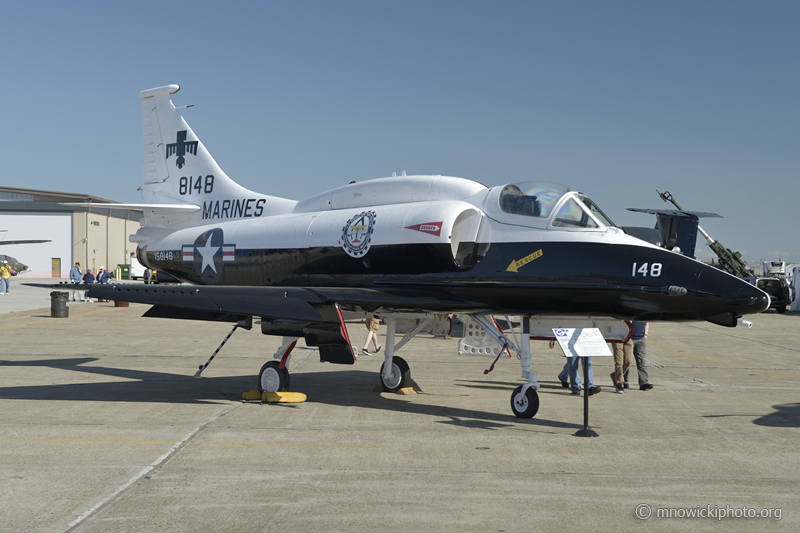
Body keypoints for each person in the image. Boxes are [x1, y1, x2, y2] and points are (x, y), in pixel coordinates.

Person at [624, 321, 654, 390]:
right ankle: (623, 381)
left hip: (641, 339)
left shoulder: (643, 313)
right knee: (627, 361)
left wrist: (645, 335)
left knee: (642, 361)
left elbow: (647, 323)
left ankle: (644, 383)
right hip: (629, 339)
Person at [611, 326, 634, 394]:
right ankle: (619, 383)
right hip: (616, 335)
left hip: (627, 335)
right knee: (619, 362)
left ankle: (615, 375)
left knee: (628, 361)